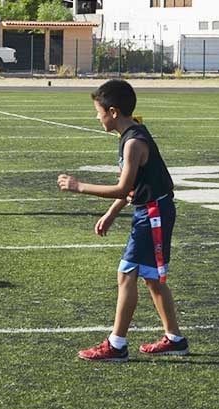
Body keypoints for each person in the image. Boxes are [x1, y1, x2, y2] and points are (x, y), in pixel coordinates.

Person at [57, 79, 187, 362]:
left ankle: (117, 344)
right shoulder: (129, 135)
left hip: (153, 214)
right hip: (152, 211)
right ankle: (175, 338)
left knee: (126, 273)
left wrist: (79, 186)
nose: (97, 116)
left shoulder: (133, 143)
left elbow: (120, 187)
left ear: (113, 112)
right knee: (152, 278)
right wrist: (112, 213)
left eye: (98, 111)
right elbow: (131, 186)